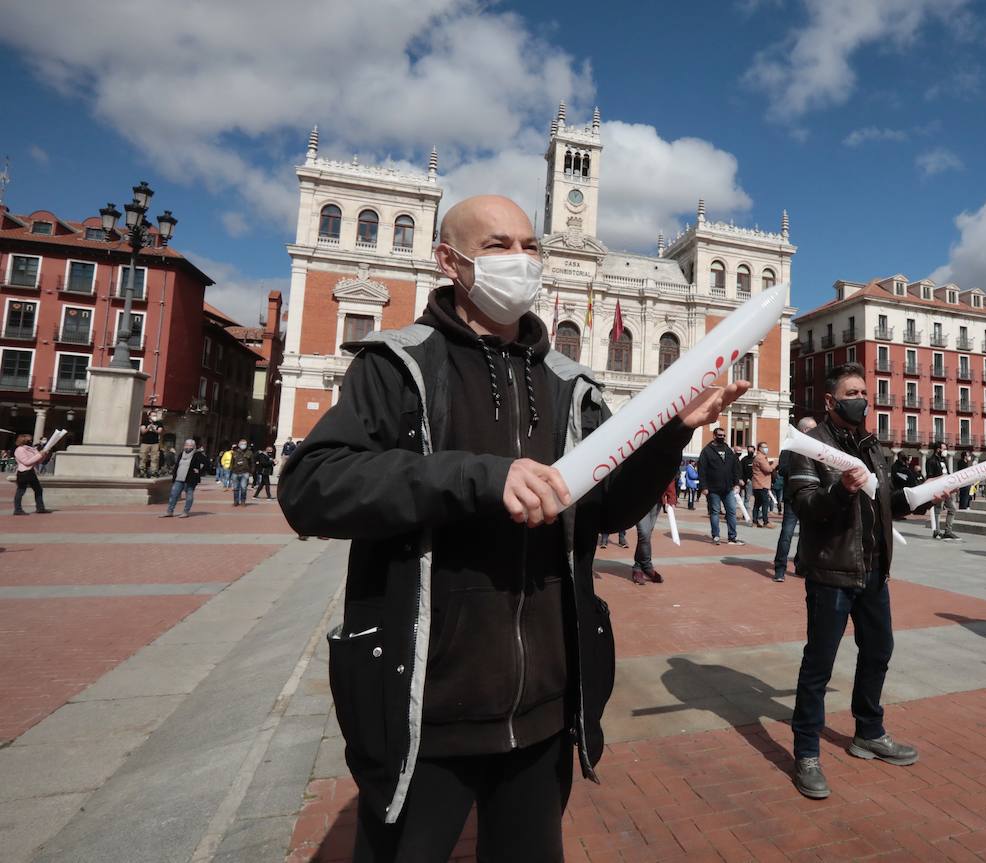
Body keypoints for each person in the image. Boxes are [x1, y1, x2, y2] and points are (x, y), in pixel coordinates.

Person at [279, 194, 746, 862]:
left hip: (543, 709)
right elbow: (312, 487)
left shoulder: (570, 383)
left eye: (531, 246)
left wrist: (671, 435)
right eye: (498, 246)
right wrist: (479, 477)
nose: (521, 259)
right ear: (450, 261)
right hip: (425, 709)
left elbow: (608, 508)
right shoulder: (398, 366)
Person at [787, 363, 945, 799]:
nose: (861, 400)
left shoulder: (872, 447)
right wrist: (843, 489)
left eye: (864, 393)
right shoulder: (809, 447)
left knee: (878, 651)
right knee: (819, 663)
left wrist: (924, 495)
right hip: (831, 571)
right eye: (852, 393)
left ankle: (869, 731)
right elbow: (806, 506)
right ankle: (806, 753)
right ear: (830, 401)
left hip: (874, 570)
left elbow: (886, 501)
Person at [773, 417, 817, 582]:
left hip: (810, 498)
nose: (816, 431)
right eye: (813, 428)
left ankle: (801, 566)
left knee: (806, 535)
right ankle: (780, 568)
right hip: (792, 497)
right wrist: (802, 469)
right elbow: (782, 469)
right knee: (787, 533)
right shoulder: (789, 446)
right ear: (804, 430)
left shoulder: (815, 448)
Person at [698, 427, 744, 546]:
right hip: (713, 488)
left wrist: (736, 483)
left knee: (732, 511)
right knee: (715, 512)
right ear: (714, 436)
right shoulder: (707, 451)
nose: (722, 437)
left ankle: (732, 537)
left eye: (724, 435)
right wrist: (704, 486)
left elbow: (734, 467)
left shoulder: (728, 450)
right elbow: (702, 470)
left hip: (728, 488)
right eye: (719, 435)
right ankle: (716, 536)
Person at [631, 479, 677, 586]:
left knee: (646, 535)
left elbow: (669, 475)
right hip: (639, 498)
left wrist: (671, 498)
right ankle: (647, 566)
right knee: (644, 533)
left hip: (656, 499)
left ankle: (638, 567)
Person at [161, 438, 213, 518]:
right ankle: (169, 511)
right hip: (179, 478)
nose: (188, 447)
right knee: (173, 494)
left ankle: (185, 512)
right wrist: (174, 476)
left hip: (190, 479)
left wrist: (200, 471)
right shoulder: (181, 454)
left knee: (189, 496)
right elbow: (177, 465)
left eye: (190, 445)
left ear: (193, 446)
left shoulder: (197, 454)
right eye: (186, 445)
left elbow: (207, 463)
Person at [925, 442, 959, 540]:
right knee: (937, 510)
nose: (945, 451)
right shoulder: (930, 461)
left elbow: (947, 473)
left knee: (952, 509)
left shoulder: (944, 460)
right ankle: (937, 531)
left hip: (947, 488)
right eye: (944, 449)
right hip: (938, 489)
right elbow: (930, 477)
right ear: (938, 449)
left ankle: (948, 531)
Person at [11, 434, 51, 515]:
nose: (30, 441)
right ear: (23, 441)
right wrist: (40, 454)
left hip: (31, 472)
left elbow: (39, 461)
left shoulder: (31, 449)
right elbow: (27, 462)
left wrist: (44, 454)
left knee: (38, 489)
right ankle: (17, 509)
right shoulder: (19, 450)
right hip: (23, 472)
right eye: (29, 440)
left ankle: (40, 508)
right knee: (21, 490)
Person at [751, 442, 776, 527]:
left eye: (767, 447)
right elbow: (768, 469)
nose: (766, 449)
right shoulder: (760, 458)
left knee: (757, 504)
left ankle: (755, 521)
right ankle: (766, 522)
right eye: (764, 447)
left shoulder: (760, 457)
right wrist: (775, 464)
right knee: (765, 503)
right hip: (761, 484)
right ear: (759, 448)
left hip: (759, 484)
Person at [229, 439, 253, 506]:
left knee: (243, 488)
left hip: (245, 472)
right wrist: (231, 471)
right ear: (239, 445)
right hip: (235, 472)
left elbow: (252, 463)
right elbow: (232, 463)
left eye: (244, 444)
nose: (243, 445)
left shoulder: (249, 452)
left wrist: (251, 472)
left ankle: (243, 501)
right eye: (242, 444)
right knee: (235, 488)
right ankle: (236, 501)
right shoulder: (234, 452)